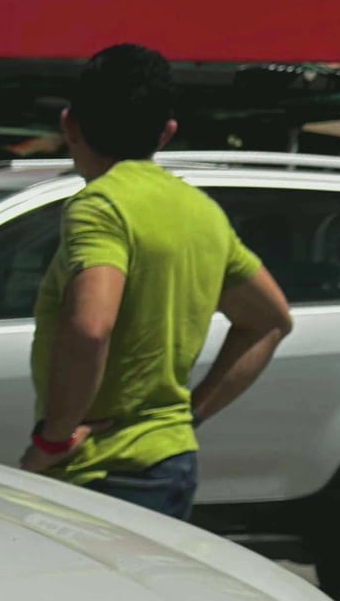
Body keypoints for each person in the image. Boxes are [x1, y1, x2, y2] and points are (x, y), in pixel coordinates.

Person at [20, 42, 294, 516]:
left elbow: (90, 327)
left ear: (69, 124)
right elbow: (272, 320)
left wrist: (53, 439)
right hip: (172, 462)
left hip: (102, 474)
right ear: (166, 133)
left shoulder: (100, 207)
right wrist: (190, 415)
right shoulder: (201, 211)